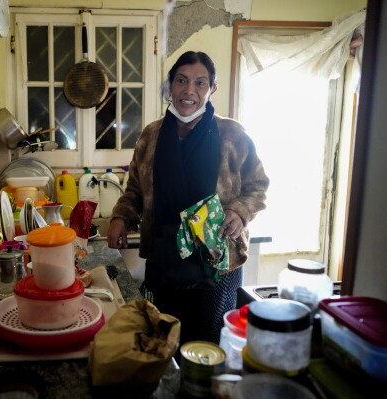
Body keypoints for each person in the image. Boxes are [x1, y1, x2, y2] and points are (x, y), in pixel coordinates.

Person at [107, 51, 269, 356]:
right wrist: (121, 217)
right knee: (162, 342)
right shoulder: (151, 136)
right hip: (164, 262)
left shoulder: (233, 135)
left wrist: (239, 211)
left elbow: (258, 186)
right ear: (170, 86)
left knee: (205, 349)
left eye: (199, 83)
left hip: (216, 267)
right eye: (181, 81)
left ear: (212, 89)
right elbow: (134, 191)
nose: (189, 90)